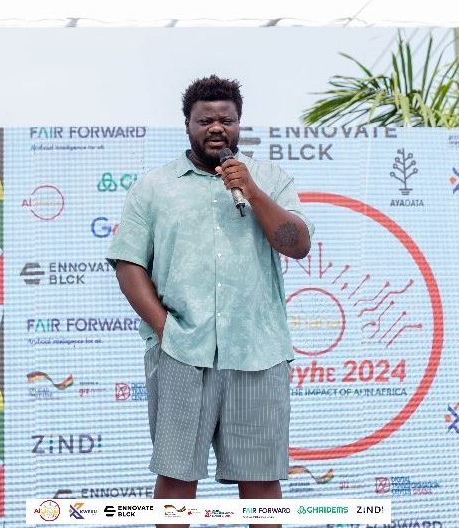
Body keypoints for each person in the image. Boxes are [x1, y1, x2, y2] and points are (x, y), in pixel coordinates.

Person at [106, 75, 313, 528]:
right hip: (182, 352)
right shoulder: (154, 187)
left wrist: (252, 191)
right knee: (176, 477)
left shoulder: (269, 179)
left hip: (258, 353)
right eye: (205, 120)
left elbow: (296, 244)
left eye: (227, 119)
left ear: (239, 124)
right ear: (187, 124)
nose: (217, 128)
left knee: (261, 481)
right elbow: (128, 264)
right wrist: (166, 330)